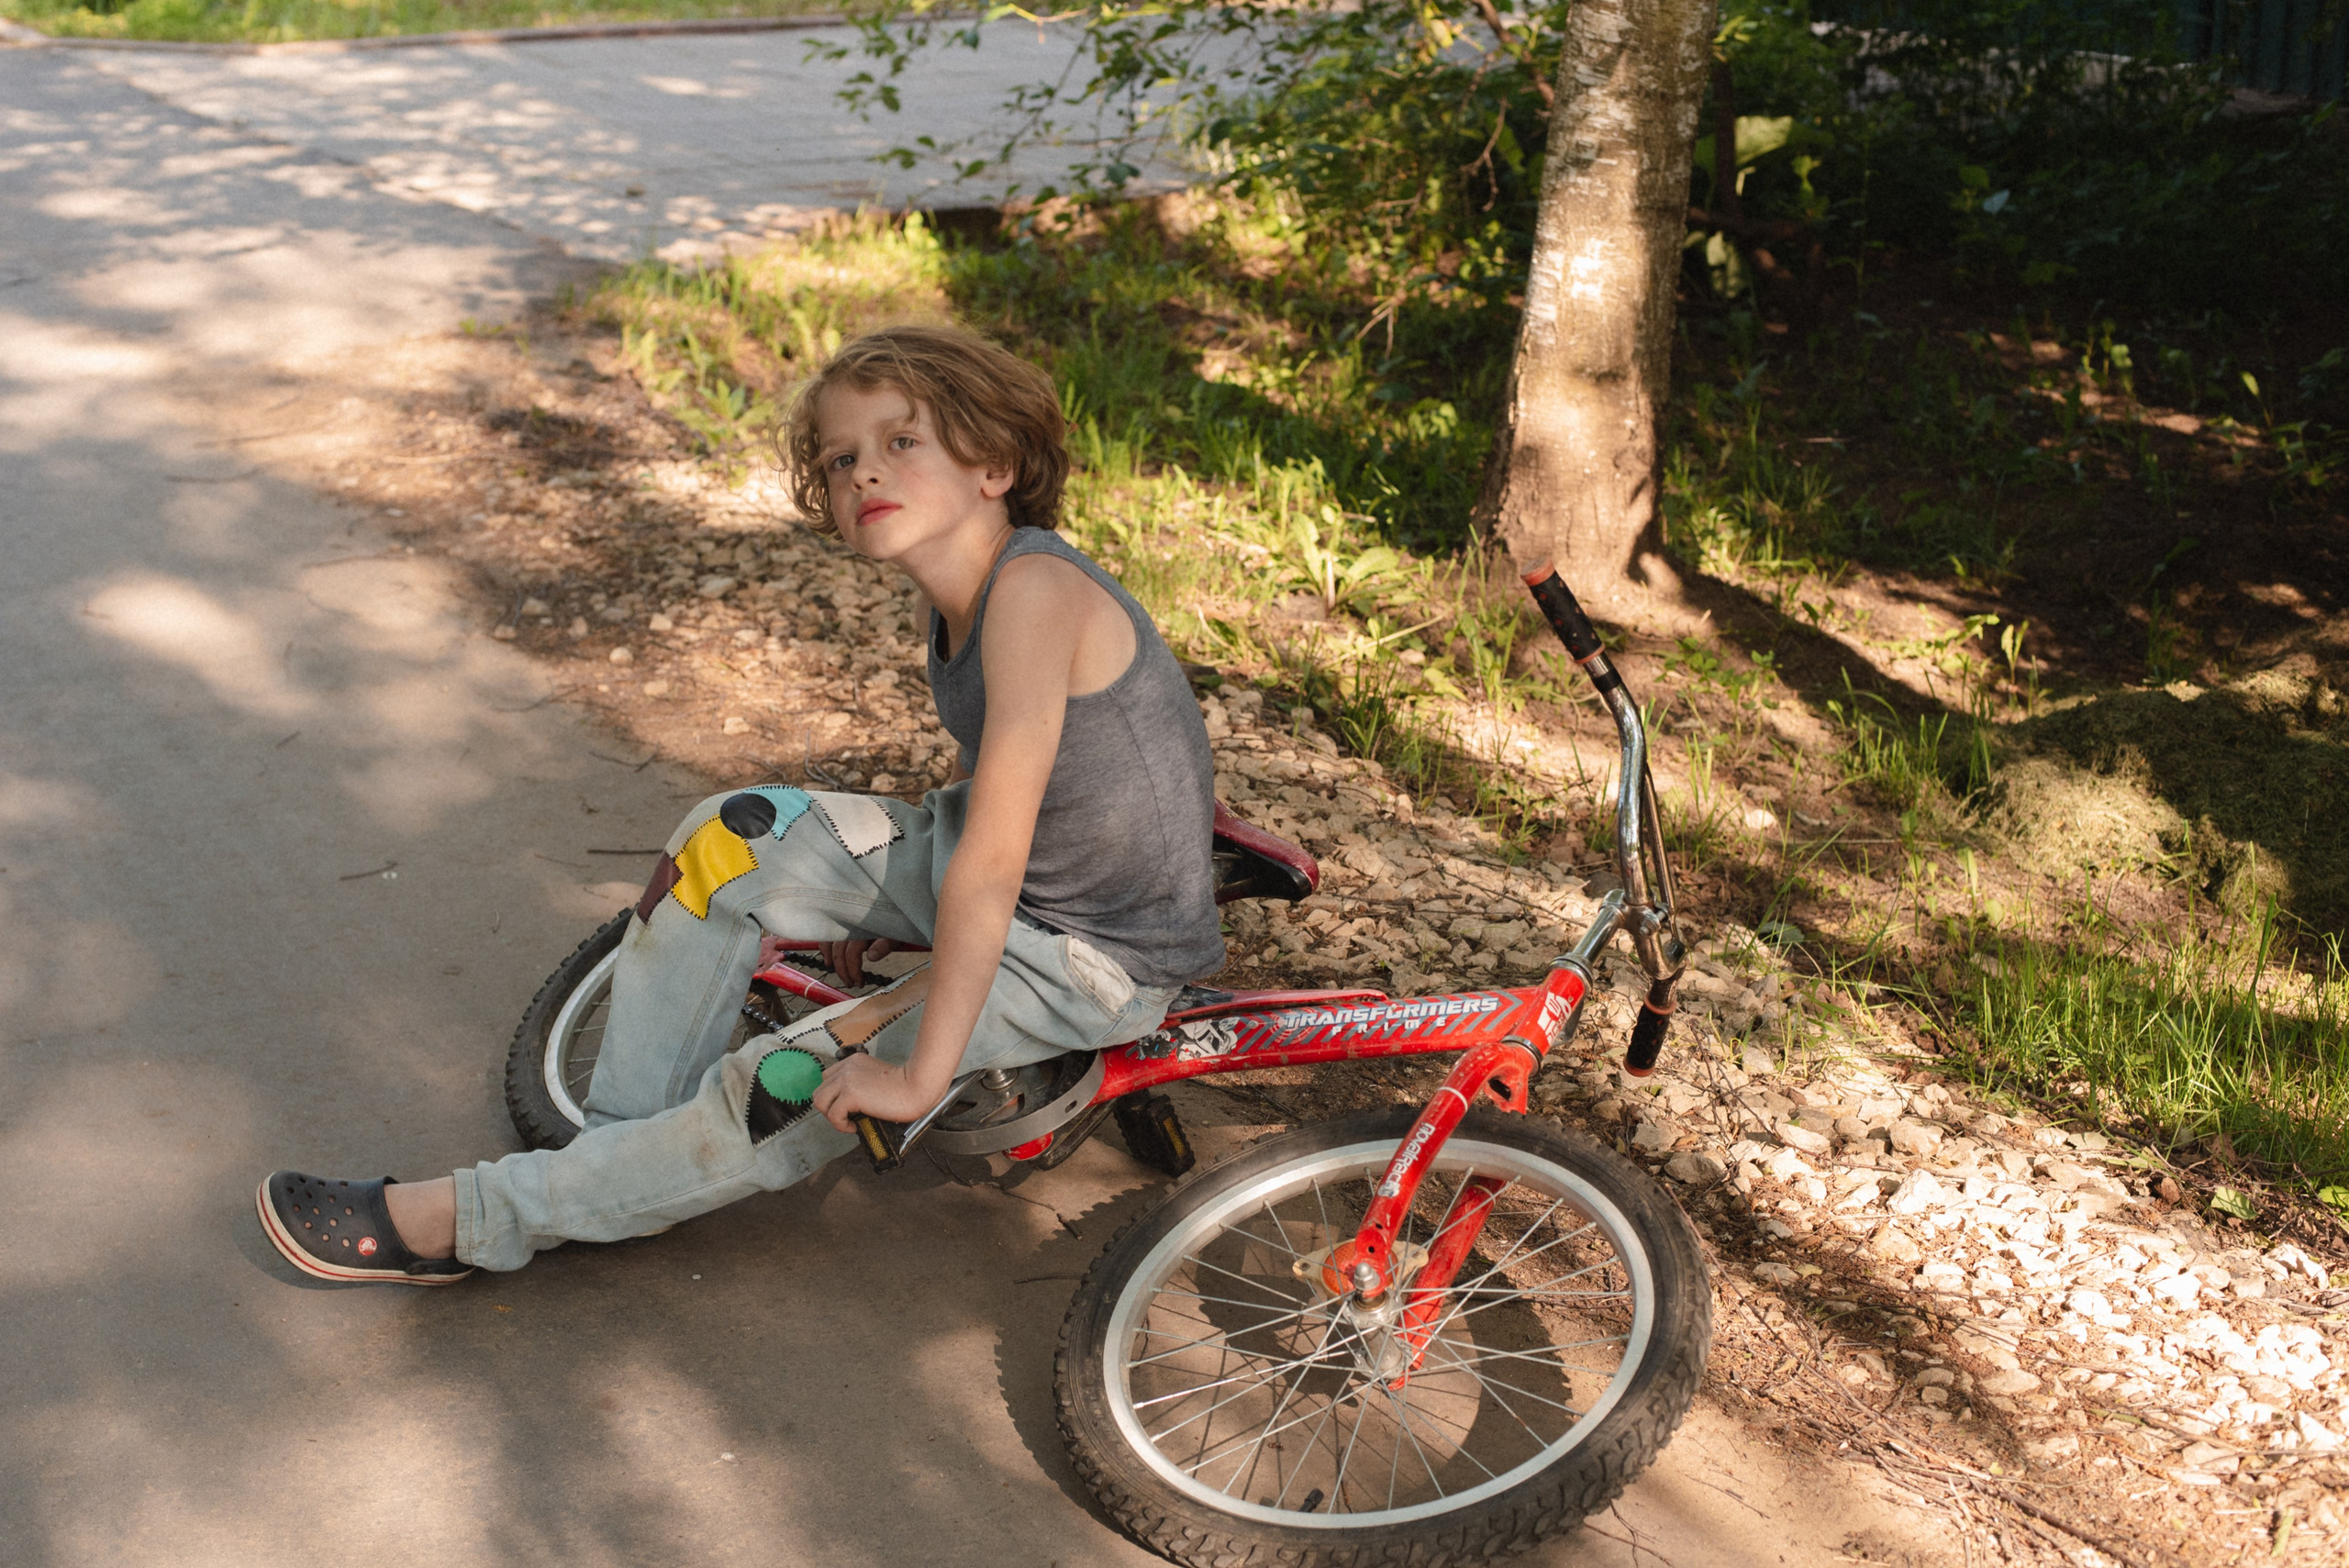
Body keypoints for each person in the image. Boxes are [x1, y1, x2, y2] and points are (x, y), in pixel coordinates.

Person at [256, 324, 1225, 1284]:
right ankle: (621, 1162)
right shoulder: (959, 592)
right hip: (1004, 879)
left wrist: (921, 1071)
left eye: (900, 441)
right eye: (841, 458)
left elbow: (999, 856)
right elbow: (1031, 783)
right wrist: (898, 886)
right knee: (734, 836)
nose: (863, 475)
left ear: (995, 463)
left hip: (1086, 955)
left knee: (789, 1076)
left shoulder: (1034, 591)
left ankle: (473, 1217)